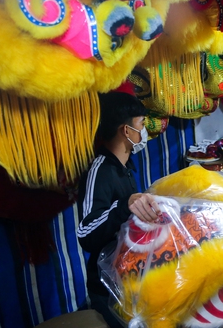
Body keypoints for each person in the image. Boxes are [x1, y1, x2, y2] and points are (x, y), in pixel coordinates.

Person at [77, 92, 161, 328]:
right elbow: (86, 232)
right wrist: (124, 205)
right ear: (126, 131)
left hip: (128, 281)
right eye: (141, 125)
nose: (144, 131)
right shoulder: (99, 170)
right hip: (107, 290)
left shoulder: (123, 166)